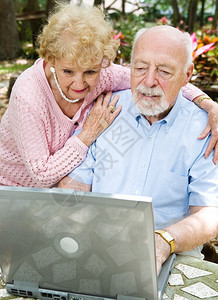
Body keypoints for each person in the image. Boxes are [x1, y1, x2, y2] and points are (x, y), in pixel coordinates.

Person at [0, 3, 216, 188]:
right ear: (51, 60)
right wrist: (88, 134)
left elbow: (156, 82)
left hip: (60, 191)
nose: (80, 83)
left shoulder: (102, 75)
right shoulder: (28, 95)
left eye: (90, 72)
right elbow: (41, 177)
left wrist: (208, 104)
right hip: (13, 191)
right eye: (68, 72)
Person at [58, 25, 218, 274]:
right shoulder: (106, 109)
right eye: (140, 68)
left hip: (173, 257)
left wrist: (165, 240)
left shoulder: (204, 129)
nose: (149, 81)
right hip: (96, 248)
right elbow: (76, 184)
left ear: (187, 75)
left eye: (164, 71)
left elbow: (209, 215)